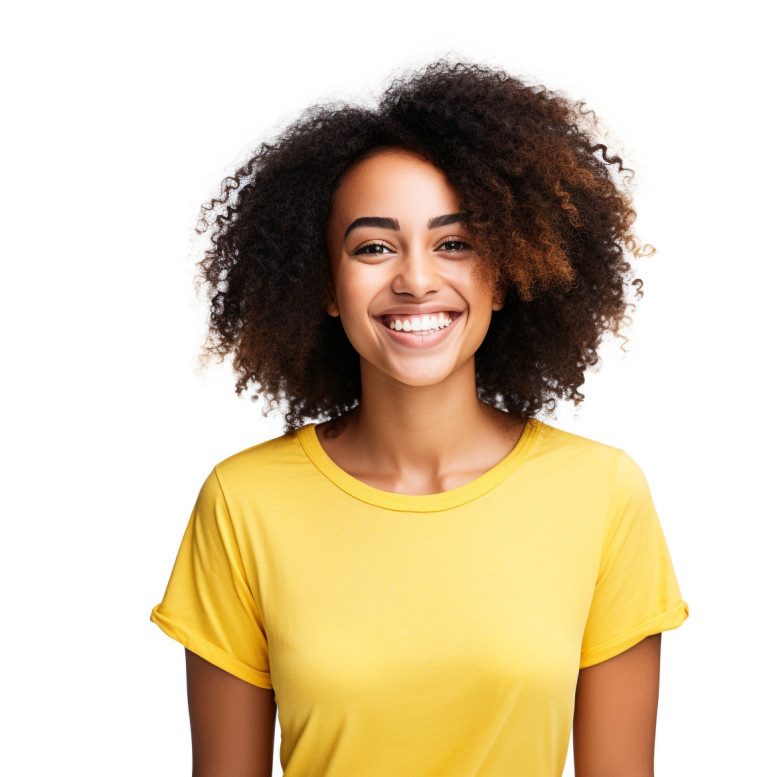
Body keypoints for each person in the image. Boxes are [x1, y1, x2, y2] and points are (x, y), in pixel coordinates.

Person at [151, 60, 689, 777]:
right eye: (373, 246)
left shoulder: (601, 493)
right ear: (326, 287)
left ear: (505, 274)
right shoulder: (243, 505)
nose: (415, 278)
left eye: (455, 243)